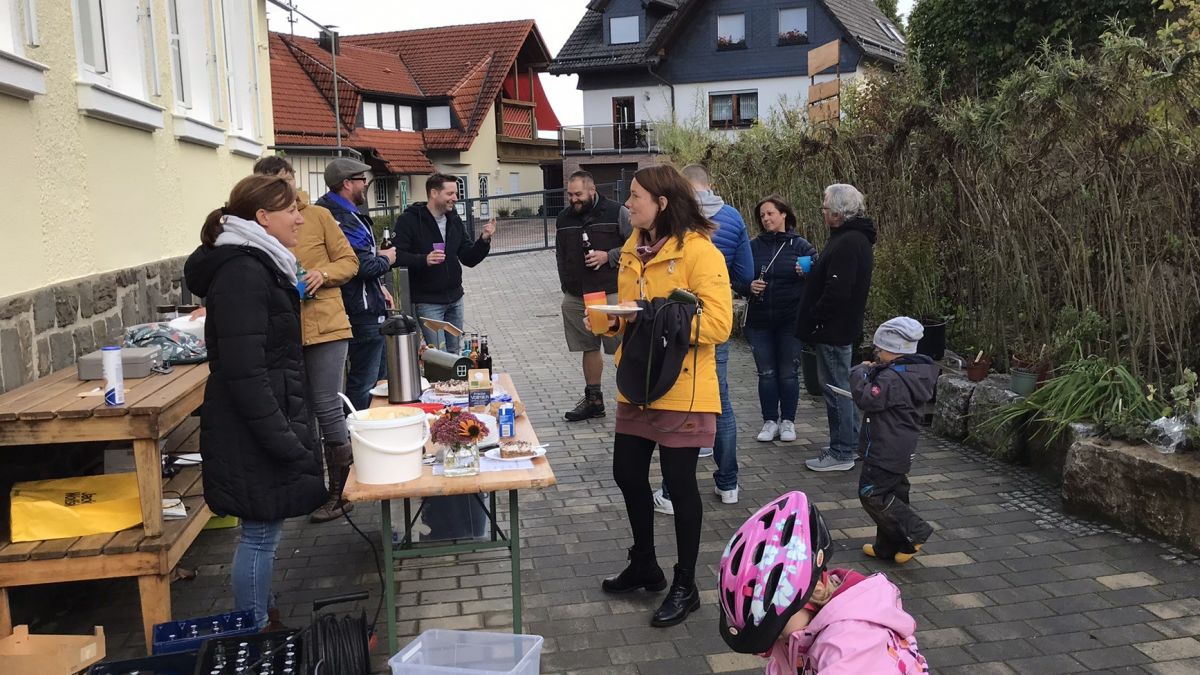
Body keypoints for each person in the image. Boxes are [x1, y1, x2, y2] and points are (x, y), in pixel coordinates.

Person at [184, 175, 327, 630]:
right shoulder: (244, 273)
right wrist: (282, 438)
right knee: (260, 533)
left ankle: (263, 614)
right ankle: (255, 628)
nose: (300, 218)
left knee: (266, 528)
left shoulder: (260, 263)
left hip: (262, 420)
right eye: (291, 210)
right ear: (263, 217)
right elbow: (245, 371)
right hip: (252, 427)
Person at [593, 164, 732, 628]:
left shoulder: (699, 252)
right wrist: (611, 320)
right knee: (626, 473)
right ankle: (645, 564)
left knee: (680, 484)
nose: (628, 203)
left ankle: (686, 585)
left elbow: (719, 324)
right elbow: (631, 316)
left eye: (635, 196)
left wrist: (654, 317)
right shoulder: (632, 250)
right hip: (638, 382)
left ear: (662, 203)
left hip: (683, 387)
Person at [253, 157, 360, 524]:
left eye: (285, 180)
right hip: (283, 329)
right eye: (271, 183)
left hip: (326, 324)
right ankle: (311, 489)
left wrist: (322, 274)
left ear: (293, 179)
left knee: (326, 404)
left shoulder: (316, 216)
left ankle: (341, 491)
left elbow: (349, 261)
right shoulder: (258, 224)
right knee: (297, 411)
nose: (281, 189)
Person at [718, 491, 928, 674]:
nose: (777, 640)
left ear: (815, 591)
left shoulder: (851, 644)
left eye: (778, 630)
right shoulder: (802, 627)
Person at [652, 164, 752, 514]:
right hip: (715, 319)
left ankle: (670, 492)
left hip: (676, 323)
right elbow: (745, 273)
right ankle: (728, 484)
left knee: (679, 402)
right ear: (710, 184)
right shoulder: (733, 218)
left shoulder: (671, 219)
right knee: (720, 401)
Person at [796, 184, 876, 472]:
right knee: (841, 387)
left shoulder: (848, 242)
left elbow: (838, 290)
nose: (823, 211)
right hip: (838, 326)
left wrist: (816, 316)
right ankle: (850, 444)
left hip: (833, 328)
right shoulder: (851, 238)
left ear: (839, 213)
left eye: (826, 207)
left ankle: (842, 452)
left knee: (835, 390)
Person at [852, 317, 938, 563]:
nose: (877, 354)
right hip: (901, 446)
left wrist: (860, 371)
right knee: (894, 494)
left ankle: (915, 531)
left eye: (880, 349)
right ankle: (888, 547)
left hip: (884, 447)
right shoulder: (914, 372)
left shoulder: (892, 378)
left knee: (872, 494)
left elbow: (867, 399)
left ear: (893, 350)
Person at [316, 158, 396, 412]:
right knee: (366, 384)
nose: (366, 185)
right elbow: (361, 266)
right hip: (360, 311)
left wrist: (379, 285)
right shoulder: (342, 219)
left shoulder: (339, 213)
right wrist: (387, 259)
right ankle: (358, 429)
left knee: (375, 381)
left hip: (364, 304)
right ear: (347, 183)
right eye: (362, 180)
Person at [736, 195, 817, 443]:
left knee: (789, 373)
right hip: (759, 320)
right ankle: (770, 421)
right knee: (767, 373)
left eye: (770, 213)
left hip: (790, 319)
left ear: (784, 214)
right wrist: (749, 286)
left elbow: (818, 279)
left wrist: (807, 273)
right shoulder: (751, 247)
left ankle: (788, 421)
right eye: (762, 215)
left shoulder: (801, 246)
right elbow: (737, 277)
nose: (765, 218)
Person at [555, 170, 632, 422]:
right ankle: (594, 401)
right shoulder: (564, 218)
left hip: (611, 291)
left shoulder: (618, 212)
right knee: (588, 347)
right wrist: (566, 285)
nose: (573, 199)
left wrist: (608, 256)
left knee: (622, 348)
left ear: (592, 190)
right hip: (577, 295)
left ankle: (632, 399)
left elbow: (636, 246)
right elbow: (560, 254)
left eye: (578, 194)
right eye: (570, 195)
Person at [392, 173, 495, 353]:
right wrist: (424, 259)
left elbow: (468, 258)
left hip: (455, 299)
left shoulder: (453, 219)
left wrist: (484, 240)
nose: (455, 198)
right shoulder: (409, 220)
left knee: (454, 353)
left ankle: (453, 373)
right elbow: (396, 255)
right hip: (428, 302)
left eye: (456, 193)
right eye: (450, 193)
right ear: (434, 193)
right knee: (439, 355)